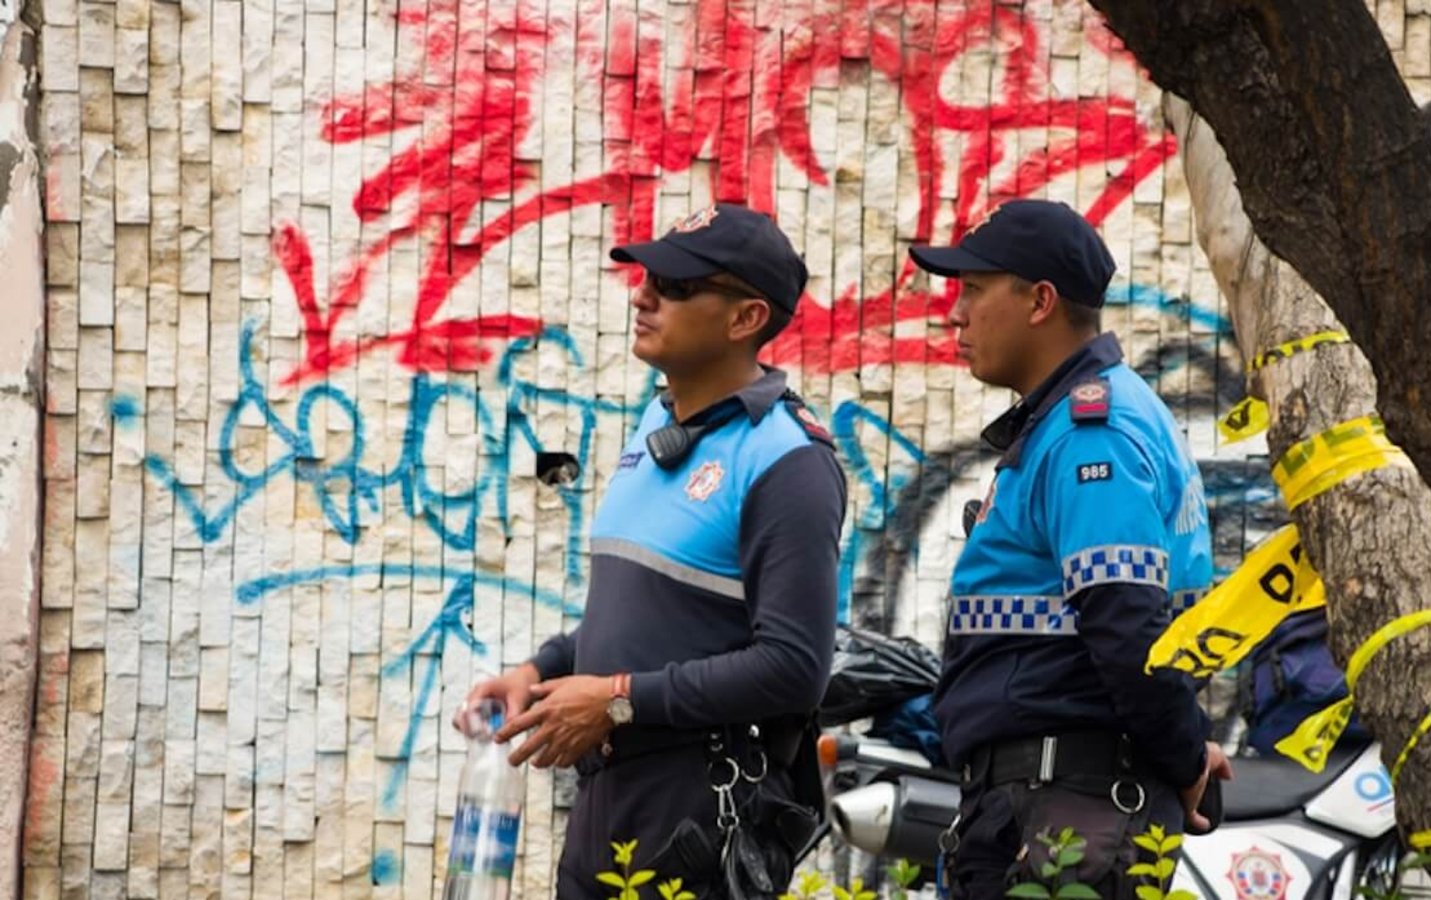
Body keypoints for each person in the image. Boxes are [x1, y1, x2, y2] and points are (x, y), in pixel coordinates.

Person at [456, 204, 846, 899]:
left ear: (745, 318)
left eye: (677, 285)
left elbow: (793, 669)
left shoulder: (788, 459)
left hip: (693, 814)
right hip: (606, 806)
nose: (644, 295)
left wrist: (615, 701)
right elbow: (648, 617)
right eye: (647, 277)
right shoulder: (659, 424)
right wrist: (538, 670)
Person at [908, 199, 1233, 899]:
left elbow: (1126, 627)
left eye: (972, 289)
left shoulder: (1093, 434)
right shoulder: (1065, 424)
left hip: (1067, 812)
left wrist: (1181, 760)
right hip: (1050, 803)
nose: (955, 314)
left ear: (1040, 301)